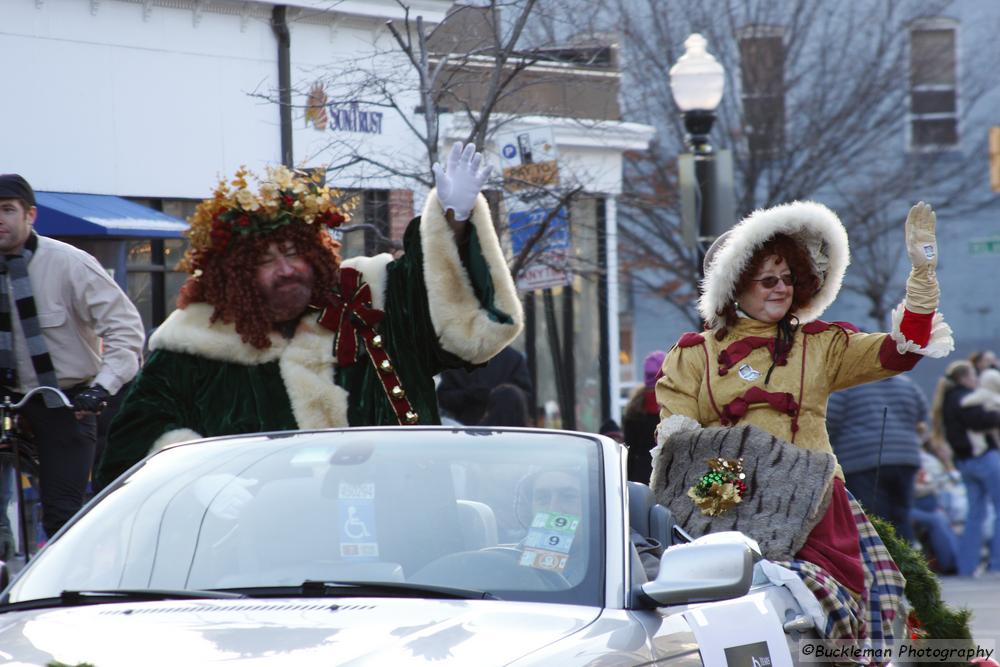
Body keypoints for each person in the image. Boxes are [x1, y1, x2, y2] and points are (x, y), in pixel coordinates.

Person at [97, 143, 523, 487]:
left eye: (292, 253)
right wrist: (200, 482)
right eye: (265, 261)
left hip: (403, 529)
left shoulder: (373, 296)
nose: (285, 269)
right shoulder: (193, 347)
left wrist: (454, 220)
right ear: (236, 277)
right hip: (263, 557)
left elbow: (457, 322)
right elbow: (133, 446)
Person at [652, 200, 953, 641]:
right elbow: (679, 446)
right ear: (735, 286)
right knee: (734, 617)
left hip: (816, 500)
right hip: (728, 494)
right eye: (768, 280)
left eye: (788, 278)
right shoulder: (694, 354)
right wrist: (718, 498)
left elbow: (899, 352)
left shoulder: (821, 344)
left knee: (840, 621)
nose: (781, 289)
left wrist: (922, 277)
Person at [0, 174, 145, 542]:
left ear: (30, 215)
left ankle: (63, 589)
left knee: (63, 514)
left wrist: (100, 390)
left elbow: (126, 331)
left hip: (66, 401)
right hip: (6, 397)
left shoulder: (69, 263)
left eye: (7, 210)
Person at [826, 374, 929, 542]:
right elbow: (922, 416)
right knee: (902, 517)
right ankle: (908, 564)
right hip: (906, 458)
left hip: (862, 461)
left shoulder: (847, 384)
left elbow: (829, 419)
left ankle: (881, 565)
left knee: (873, 521)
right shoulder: (908, 384)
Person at [932, 360, 1000, 576]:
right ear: (963, 378)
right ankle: (996, 564)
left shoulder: (947, 399)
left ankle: (966, 566)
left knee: (975, 515)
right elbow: (978, 421)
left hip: (964, 462)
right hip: (983, 459)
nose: (976, 381)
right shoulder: (964, 398)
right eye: (973, 376)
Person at [437, 345, 532, 425]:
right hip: (465, 431)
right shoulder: (457, 358)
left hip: (507, 431)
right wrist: (469, 395)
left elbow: (524, 397)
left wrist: (501, 396)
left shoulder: (513, 359)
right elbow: (443, 398)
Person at [623, 350, 666, 483]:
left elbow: (629, 452)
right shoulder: (673, 406)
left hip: (639, 476)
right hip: (666, 475)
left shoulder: (634, 410)